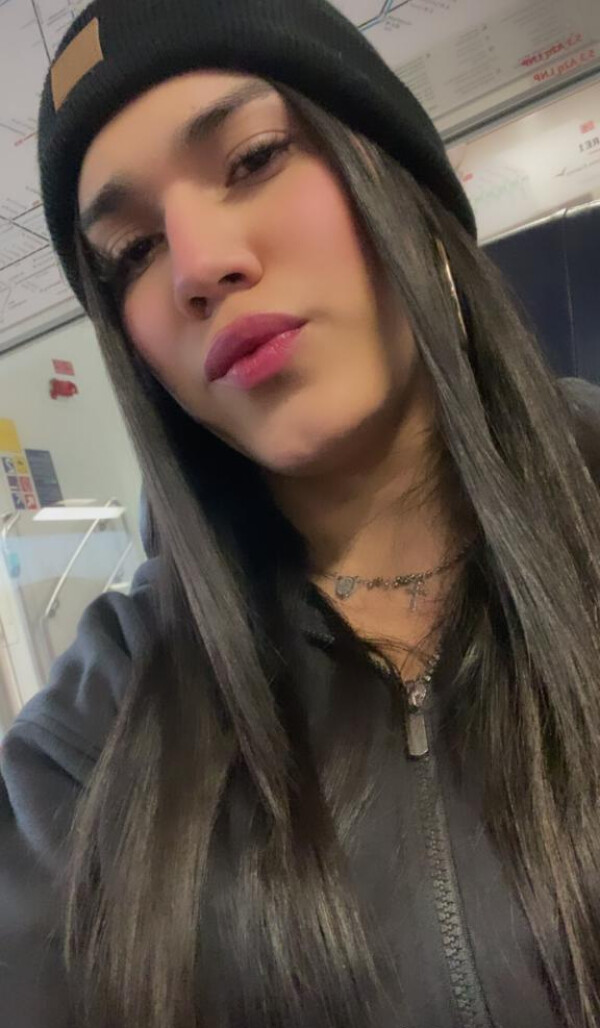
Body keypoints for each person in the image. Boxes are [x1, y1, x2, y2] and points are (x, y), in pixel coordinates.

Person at [1, 1, 600, 1026]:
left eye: (254, 158)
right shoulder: (93, 738)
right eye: (132, 251)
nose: (197, 265)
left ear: (396, 176)